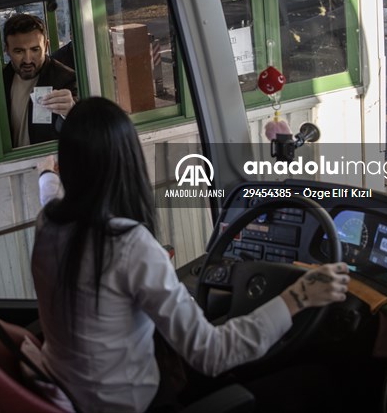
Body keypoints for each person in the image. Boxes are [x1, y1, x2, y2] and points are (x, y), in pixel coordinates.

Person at [31, 97, 350, 413]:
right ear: (128, 163)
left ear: (67, 163)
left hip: (70, 394)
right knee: (315, 380)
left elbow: (49, 196)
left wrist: (47, 175)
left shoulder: (49, 223)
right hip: (135, 404)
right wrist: (300, 295)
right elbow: (212, 355)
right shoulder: (131, 245)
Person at [2, 13, 77, 147]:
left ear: (46, 46)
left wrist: (71, 112)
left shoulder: (66, 79)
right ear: (7, 50)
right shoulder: (1, 80)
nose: (28, 59)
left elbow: (84, 129)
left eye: (35, 50)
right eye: (19, 51)